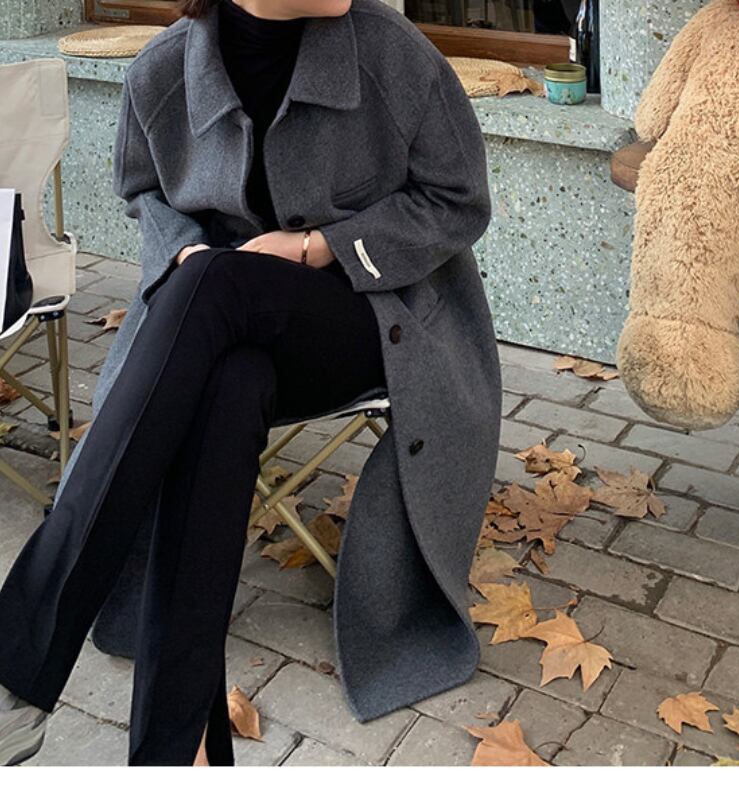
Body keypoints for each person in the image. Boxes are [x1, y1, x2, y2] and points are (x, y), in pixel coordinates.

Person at [0, 0, 500, 767]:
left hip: (369, 318)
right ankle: (180, 750)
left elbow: (458, 199)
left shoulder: (390, 52)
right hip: (222, 335)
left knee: (216, 290)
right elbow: (144, 192)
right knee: (226, 382)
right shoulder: (162, 71)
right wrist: (185, 252)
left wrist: (315, 246)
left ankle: (21, 655)